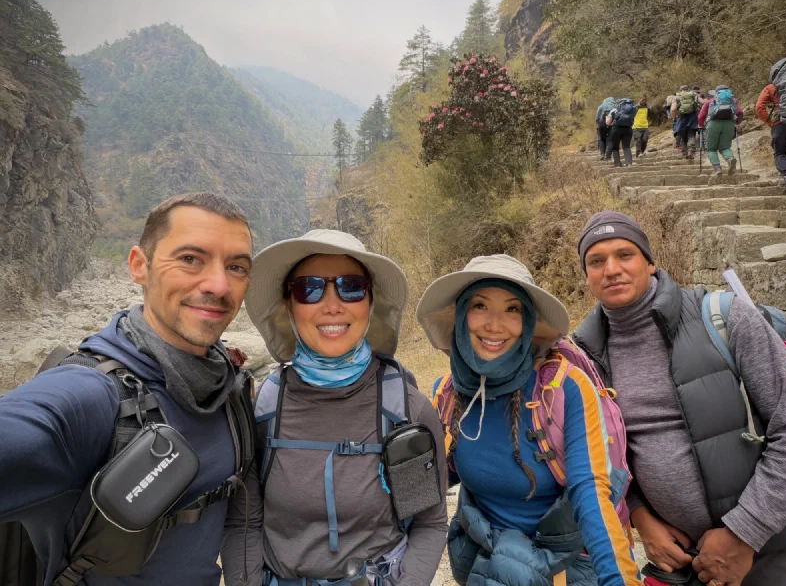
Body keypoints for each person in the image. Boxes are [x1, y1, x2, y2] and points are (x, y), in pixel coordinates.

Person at [0, 193, 256, 585]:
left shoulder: (228, 388)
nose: (219, 285)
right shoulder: (91, 394)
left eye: (236, 267)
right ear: (140, 265)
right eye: (190, 259)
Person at [573, 211, 786, 586]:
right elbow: (603, 457)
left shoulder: (725, 318)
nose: (611, 269)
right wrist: (641, 518)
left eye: (624, 255)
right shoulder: (587, 356)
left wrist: (744, 533)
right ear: (587, 276)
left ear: (649, 262)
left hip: (767, 550)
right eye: (597, 261)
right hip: (681, 561)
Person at [221, 229, 448, 586]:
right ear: (289, 304)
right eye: (309, 288)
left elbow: (428, 523)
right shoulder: (263, 410)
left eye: (351, 286)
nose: (331, 304)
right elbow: (242, 523)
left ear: (370, 303)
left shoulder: (405, 411)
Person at [417, 254, 643, 586]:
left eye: (513, 309)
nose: (494, 325)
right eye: (479, 306)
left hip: (565, 568)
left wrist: (618, 580)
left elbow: (590, 492)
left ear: (529, 324)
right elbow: (428, 487)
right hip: (487, 564)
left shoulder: (563, 389)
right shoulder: (448, 396)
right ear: (461, 316)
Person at [757, 52, 786, 190]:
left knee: (781, 152)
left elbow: (759, 107)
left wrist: (770, 122)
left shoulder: (771, 87)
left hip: (780, 123)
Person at [698, 84, 744, 175]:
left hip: (713, 124)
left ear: (716, 93)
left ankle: (717, 169)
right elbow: (740, 112)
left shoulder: (710, 101)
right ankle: (730, 159)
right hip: (729, 124)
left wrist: (700, 125)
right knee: (725, 147)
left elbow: (701, 116)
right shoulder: (733, 101)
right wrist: (737, 122)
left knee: (711, 149)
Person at [604, 98, 637, 167]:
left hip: (616, 129)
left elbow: (608, 123)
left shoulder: (615, 110)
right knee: (626, 147)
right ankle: (629, 163)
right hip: (628, 128)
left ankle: (618, 163)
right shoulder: (632, 110)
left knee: (615, 147)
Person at [670, 85, 700, 161]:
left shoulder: (677, 97)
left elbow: (673, 109)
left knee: (683, 137)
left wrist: (674, 118)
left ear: (680, 90)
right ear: (688, 89)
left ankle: (684, 153)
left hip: (681, 117)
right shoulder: (693, 95)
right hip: (692, 117)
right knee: (691, 135)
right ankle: (691, 152)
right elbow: (700, 104)